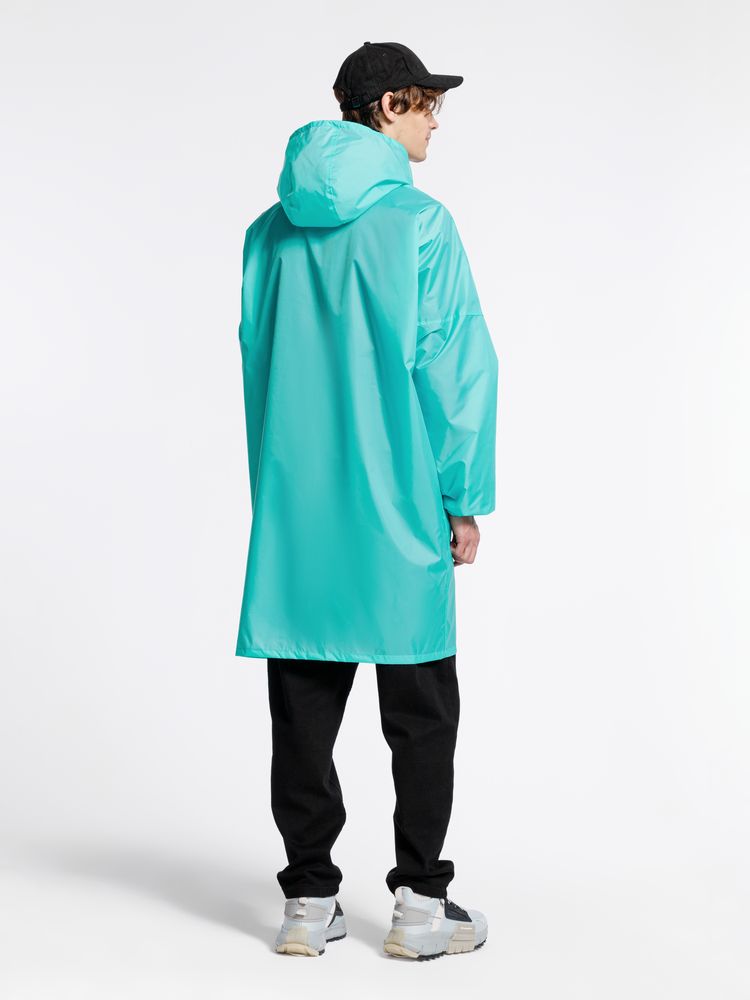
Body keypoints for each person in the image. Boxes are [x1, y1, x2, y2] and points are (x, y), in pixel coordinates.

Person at [235, 40, 498, 959]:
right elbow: (455, 370)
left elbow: (258, 368)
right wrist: (463, 498)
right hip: (399, 505)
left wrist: (278, 493)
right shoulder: (420, 224)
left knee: (302, 707)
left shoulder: (269, 233)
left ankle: (309, 902)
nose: (435, 126)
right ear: (390, 106)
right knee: (421, 710)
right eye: (428, 106)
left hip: (300, 512)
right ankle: (421, 905)